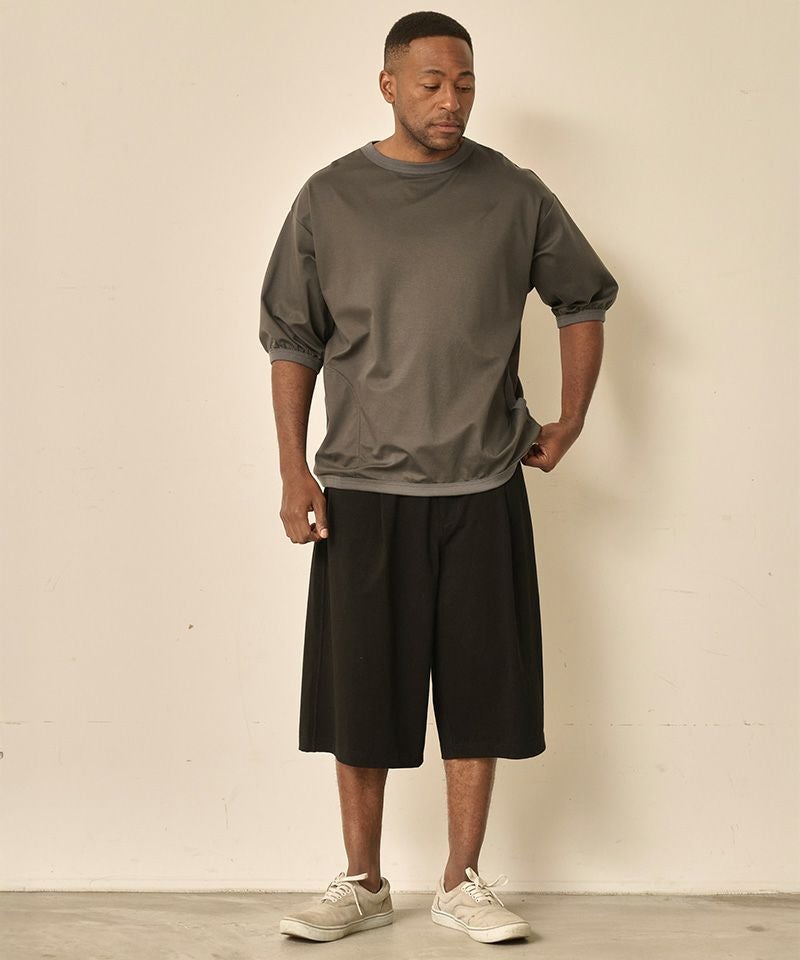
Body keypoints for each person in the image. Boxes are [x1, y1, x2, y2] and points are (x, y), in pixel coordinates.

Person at [258, 10, 618, 945]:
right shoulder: (330, 198)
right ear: (388, 85)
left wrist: (573, 418)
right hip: (362, 487)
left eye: (464, 83)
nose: (450, 100)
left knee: (481, 694)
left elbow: (583, 297)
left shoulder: (514, 194)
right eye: (430, 83)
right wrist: (293, 466)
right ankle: (362, 881)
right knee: (359, 700)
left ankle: (461, 883)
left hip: (481, 485)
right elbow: (292, 337)